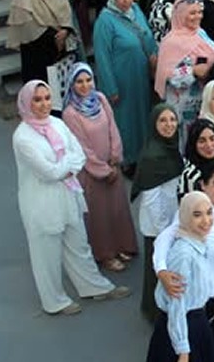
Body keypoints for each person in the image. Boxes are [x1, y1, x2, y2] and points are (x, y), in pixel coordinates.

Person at [12, 81, 130, 316]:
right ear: (26, 103)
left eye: (47, 98)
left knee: (79, 244)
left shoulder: (57, 123)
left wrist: (64, 166)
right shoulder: (22, 137)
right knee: (46, 255)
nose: (44, 104)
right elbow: (49, 173)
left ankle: (94, 287)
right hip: (41, 203)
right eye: (37, 100)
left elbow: (79, 155)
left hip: (68, 194)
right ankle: (55, 301)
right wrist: (67, 166)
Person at [152, 166, 214, 362]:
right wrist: (162, 271)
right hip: (207, 303)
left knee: (210, 354)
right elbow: (163, 241)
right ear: (203, 185)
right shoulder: (185, 232)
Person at [61, 62, 138, 272]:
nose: (85, 86)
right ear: (72, 85)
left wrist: (115, 158)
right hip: (91, 173)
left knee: (118, 209)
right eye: (79, 82)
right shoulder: (70, 113)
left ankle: (123, 245)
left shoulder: (101, 99)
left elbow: (113, 128)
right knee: (99, 214)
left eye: (88, 80)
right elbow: (81, 147)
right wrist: (103, 170)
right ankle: (105, 254)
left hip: (112, 165)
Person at [142, 191, 214, 362]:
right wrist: (183, 356)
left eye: (209, 213)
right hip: (182, 328)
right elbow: (177, 307)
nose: (206, 220)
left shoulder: (197, 242)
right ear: (184, 216)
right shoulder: (183, 255)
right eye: (197, 214)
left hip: (196, 323)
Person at [93, 0, 158, 172]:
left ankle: (145, 154)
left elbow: (147, 34)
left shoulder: (136, 11)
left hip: (141, 75)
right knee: (127, 119)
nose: (127, 0)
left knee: (143, 115)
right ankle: (128, 159)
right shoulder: (105, 20)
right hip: (122, 78)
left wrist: (155, 57)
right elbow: (102, 56)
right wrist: (110, 87)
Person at [132, 104, 183, 321]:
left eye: (172, 119)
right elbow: (152, 200)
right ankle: (156, 313)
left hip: (171, 219)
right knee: (159, 269)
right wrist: (166, 232)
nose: (169, 125)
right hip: (159, 226)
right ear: (154, 124)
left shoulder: (170, 147)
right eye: (163, 120)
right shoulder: (153, 157)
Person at [154, 0, 214, 146]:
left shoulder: (200, 33)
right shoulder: (171, 41)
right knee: (184, 143)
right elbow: (167, 76)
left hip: (203, 101)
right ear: (181, 14)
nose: (197, 17)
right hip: (181, 106)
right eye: (192, 13)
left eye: (199, 12)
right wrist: (192, 71)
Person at [6, 0, 77, 84]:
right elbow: (29, 30)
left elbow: (64, 10)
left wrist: (65, 29)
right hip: (37, 56)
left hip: (60, 54)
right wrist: (56, 37)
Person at [179, 119, 214, 200]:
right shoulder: (191, 176)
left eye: (212, 139)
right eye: (202, 141)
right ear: (193, 144)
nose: (209, 145)